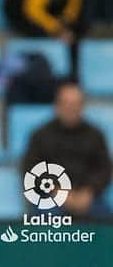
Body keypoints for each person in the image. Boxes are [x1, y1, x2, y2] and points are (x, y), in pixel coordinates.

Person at [22, 80, 111, 217]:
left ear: (82, 106)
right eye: (66, 104)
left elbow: (104, 169)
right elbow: (31, 170)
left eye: (75, 104)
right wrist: (58, 192)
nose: (71, 108)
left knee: (105, 220)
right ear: (56, 105)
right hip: (50, 197)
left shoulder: (95, 135)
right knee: (46, 215)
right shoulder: (40, 135)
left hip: (88, 199)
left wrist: (89, 192)